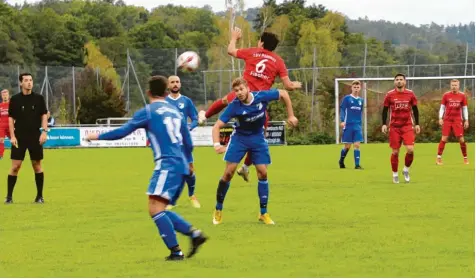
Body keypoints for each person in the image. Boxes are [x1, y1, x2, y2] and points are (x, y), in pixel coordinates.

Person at [86, 75, 207, 261]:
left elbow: (122, 132)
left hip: (167, 165)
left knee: (155, 209)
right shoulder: (175, 111)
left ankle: (177, 251)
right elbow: (188, 142)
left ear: (148, 92)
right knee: (160, 208)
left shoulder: (149, 111)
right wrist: (189, 164)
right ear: (167, 92)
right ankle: (194, 235)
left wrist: (97, 136)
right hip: (181, 164)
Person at [198, 28, 301, 182]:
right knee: (258, 137)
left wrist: (234, 37)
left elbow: (231, 51)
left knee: (225, 100)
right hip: (260, 102)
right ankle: (245, 167)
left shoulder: (253, 52)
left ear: (261, 42)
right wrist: (295, 86)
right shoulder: (278, 61)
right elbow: (287, 86)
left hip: (245, 94)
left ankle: (204, 116)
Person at [211, 77, 298, 225]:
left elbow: (284, 93)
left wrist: (291, 115)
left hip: (258, 137)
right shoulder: (234, 106)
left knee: (263, 172)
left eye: (241, 89)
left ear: (247, 88)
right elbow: (216, 126)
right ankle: (218, 209)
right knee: (228, 173)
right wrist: (216, 144)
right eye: (236, 90)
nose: (239, 93)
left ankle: (263, 213)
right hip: (239, 138)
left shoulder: (261, 97)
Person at [5, 73, 49, 204]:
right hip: (19, 136)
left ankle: (39, 196)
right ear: (20, 83)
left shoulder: (39, 98)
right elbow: (11, 119)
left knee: (37, 165)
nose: (29, 82)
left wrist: (44, 132)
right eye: (26, 80)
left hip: (35, 135)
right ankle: (9, 197)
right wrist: (12, 136)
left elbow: (44, 116)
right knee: (15, 166)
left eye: (30, 80)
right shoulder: (15, 99)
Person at [166, 75, 200, 209]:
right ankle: (171, 200)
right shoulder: (164, 102)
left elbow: (195, 119)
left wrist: (189, 127)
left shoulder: (186, 101)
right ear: (168, 86)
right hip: (170, 142)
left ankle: (192, 195)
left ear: (180, 84)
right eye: (172, 82)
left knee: (190, 170)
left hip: (184, 142)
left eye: (177, 82)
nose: (175, 84)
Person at [381, 73, 420, 184]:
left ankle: (406, 170)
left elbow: (415, 109)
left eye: (401, 79)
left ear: (405, 82)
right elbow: (385, 110)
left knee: (410, 149)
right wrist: (384, 124)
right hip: (394, 127)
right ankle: (395, 174)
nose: (399, 81)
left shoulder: (410, 94)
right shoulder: (389, 95)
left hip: (407, 125)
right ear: (394, 82)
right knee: (395, 152)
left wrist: (417, 124)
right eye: (397, 79)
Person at [436, 79, 469, 165]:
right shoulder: (446, 95)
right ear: (450, 86)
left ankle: (465, 158)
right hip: (447, 120)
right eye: (452, 85)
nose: (454, 87)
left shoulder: (462, 96)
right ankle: (438, 158)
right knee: (444, 138)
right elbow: (442, 107)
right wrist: (440, 118)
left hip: (457, 120)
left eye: (456, 85)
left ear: (458, 86)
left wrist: (466, 120)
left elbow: (465, 109)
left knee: (461, 139)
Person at [339, 80, 364, 169]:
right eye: (354, 87)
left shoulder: (361, 100)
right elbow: (342, 110)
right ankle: (341, 161)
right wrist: (342, 120)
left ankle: (357, 165)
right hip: (348, 125)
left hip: (357, 126)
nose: (356, 89)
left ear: (360, 88)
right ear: (351, 88)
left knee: (357, 144)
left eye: (358, 87)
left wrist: (360, 123)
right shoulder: (347, 98)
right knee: (347, 146)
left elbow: (360, 113)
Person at [0, 89, 10, 159]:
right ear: (1, 96)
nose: (5, 96)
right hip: (2, 125)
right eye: (3, 95)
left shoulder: (12, 105)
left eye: (6, 95)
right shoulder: (0, 105)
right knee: (1, 140)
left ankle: (17, 154)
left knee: (14, 139)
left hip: (10, 125)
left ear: (8, 95)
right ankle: (1, 155)